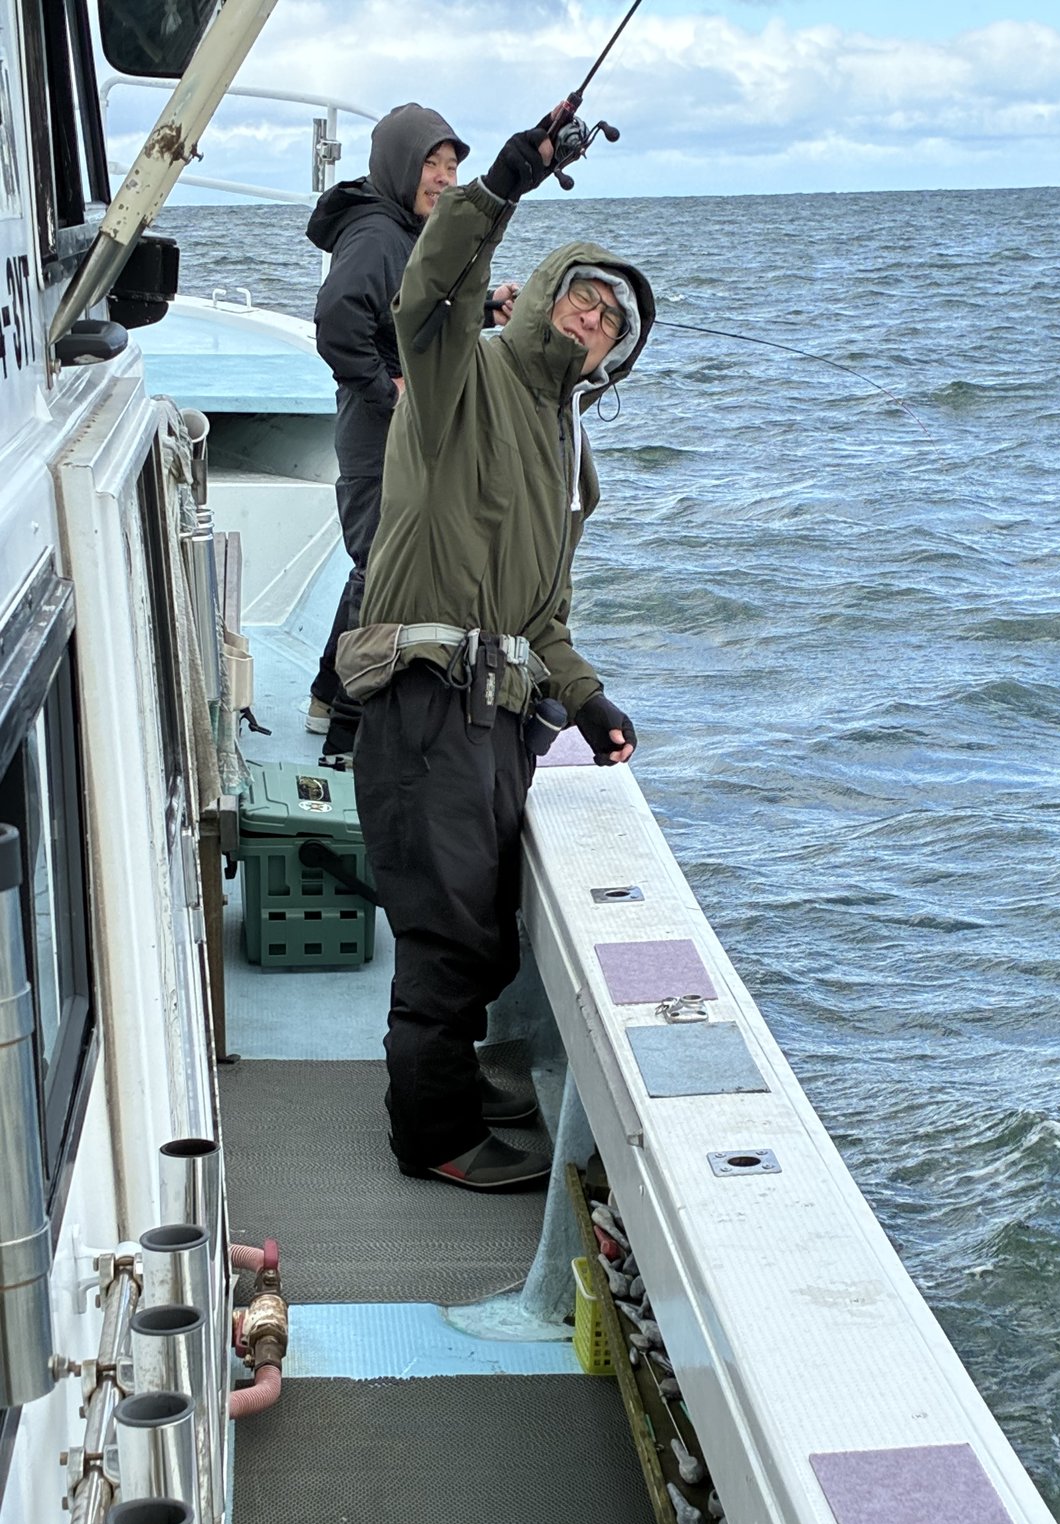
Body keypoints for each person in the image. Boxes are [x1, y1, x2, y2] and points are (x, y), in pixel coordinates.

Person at [340, 122, 653, 1191]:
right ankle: (432, 1137)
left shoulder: (568, 448)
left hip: (501, 716)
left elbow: (543, 616)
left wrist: (588, 698)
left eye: (612, 319)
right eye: (584, 296)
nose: (594, 318)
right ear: (541, 293)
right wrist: (505, 182)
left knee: (482, 927)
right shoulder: (458, 371)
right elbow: (428, 291)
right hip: (426, 699)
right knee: (447, 936)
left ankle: (458, 1091)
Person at [305, 103, 516, 766]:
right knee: (381, 569)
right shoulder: (376, 233)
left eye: (452, 166)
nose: (445, 178)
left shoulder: (402, 229)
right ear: (400, 164)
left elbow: (407, 312)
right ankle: (346, 738)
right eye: (432, 164)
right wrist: (388, 391)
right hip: (373, 431)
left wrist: (485, 310)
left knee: (373, 563)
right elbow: (338, 323)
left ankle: (325, 694)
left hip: (390, 427)